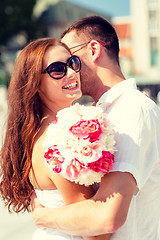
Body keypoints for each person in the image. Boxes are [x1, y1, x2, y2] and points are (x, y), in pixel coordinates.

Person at [31, 16, 160, 240]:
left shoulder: (133, 108)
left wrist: (45, 218)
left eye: (71, 59)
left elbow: (106, 218)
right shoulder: (101, 113)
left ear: (93, 50)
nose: (70, 71)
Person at [0, 37, 110, 240]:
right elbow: (95, 232)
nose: (71, 73)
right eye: (57, 69)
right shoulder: (58, 141)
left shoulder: (38, 133)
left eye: (72, 63)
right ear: (35, 84)